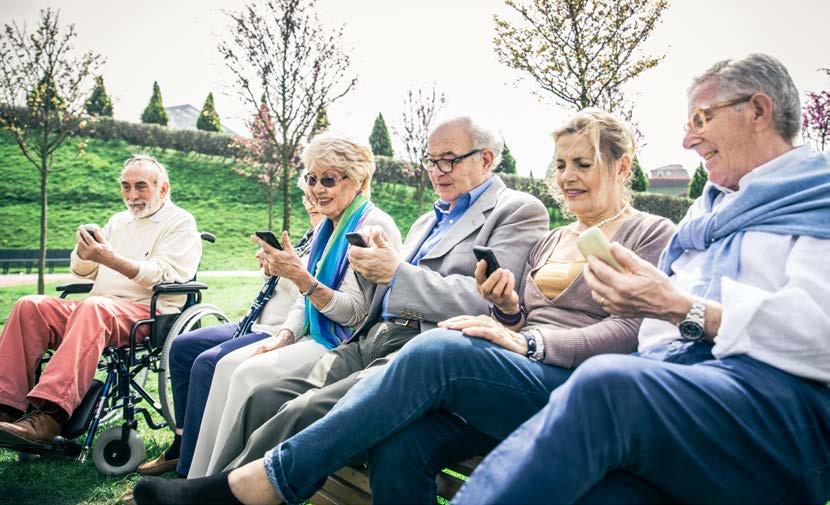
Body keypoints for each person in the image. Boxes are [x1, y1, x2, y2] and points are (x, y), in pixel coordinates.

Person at [133, 109, 676, 505]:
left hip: (570, 384)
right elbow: (518, 318)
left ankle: (262, 484)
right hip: (504, 375)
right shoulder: (552, 238)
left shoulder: (650, 232)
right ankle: (229, 480)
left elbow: (631, 331)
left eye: (582, 163)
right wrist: (508, 310)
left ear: (623, 166)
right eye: (560, 164)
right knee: (401, 445)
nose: (567, 177)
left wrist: (526, 338)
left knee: (438, 348)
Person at [448, 53, 830, 504]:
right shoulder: (708, 213)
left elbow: (819, 334)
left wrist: (678, 306)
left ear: (759, 111)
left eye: (701, 118)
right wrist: (647, 299)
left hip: (780, 412)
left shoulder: (816, 198)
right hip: (683, 395)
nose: (688, 139)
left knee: (603, 382)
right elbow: (654, 332)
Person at [181, 115, 550, 481]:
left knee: (299, 411)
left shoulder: (517, 210)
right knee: (262, 398)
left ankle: (216, 492)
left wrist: (393, 272)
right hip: (369, 337)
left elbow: (491, 302)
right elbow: (375, 296)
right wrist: (376, 269)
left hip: (420, 347)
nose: (436, 170)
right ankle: (201, 481)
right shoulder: (426, 220)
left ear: (486, 159)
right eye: (430, 160)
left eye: (449, 159)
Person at [138, 135, 401, 478]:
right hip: (314, 334)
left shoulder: (370, 225)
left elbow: (353, 314)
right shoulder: (331, 225)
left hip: (344, 344)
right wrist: (286, 335)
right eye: (311, 178)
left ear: (360, 180)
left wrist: (301, 278)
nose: (317, 189)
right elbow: (304, 303)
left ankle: (218, 482)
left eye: (329, 179)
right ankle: (196, 475)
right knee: (227, 364)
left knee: (246, 372)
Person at [0, 154, 202, 449]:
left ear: (163, 188)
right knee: (30, 306)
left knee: (95, 308)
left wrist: (111, 258)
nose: (132, 195)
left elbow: (163, 275)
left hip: (147, 313)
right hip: (97, 310)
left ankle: (49, 416)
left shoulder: (180, 223)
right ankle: (7, 407)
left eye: (141, 186)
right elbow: (83, 271)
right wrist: (84, 252)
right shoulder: (118, 222)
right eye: (126, 186)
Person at [136, 183, 324, 477]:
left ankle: (189, 468)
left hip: (276, 329)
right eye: (306, 198)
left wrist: (288, 269)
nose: (311, 203)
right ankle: (182, 441)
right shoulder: (307, 237)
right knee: (183, 346)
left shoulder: (327, 241)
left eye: (316, 198)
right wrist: (269, 268)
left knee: (208, 363)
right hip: (253, 320)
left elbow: (305, 292)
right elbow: (283, 284)